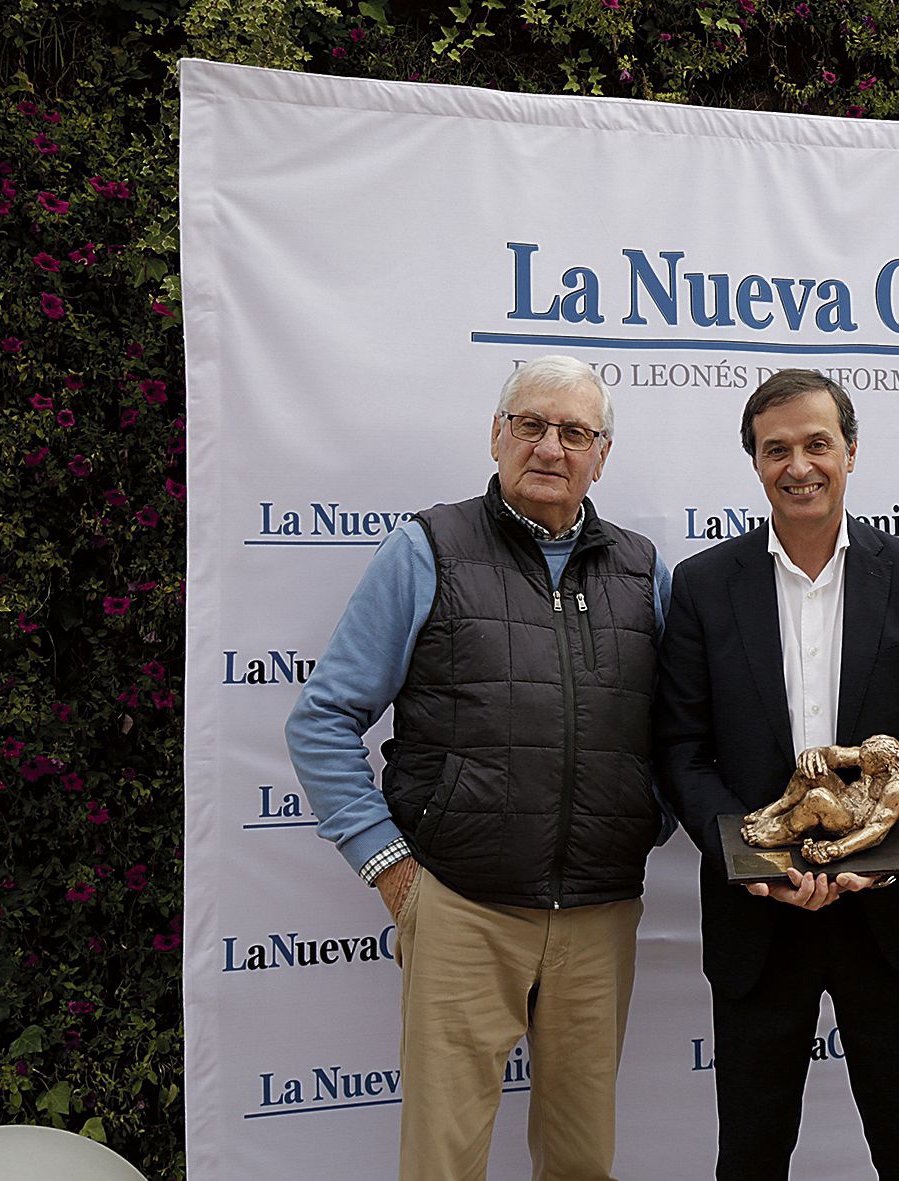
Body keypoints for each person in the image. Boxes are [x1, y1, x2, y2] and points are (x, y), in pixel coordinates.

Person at [285, 355, 670, 1181]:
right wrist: (391, 869)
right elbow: (322, 718)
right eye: (531, 424)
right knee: (444, 1163)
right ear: (496, 434)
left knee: (582, 1163)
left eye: (575, 432)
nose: (550, 447)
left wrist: (646, 811)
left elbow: (681, 730)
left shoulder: (643, 571)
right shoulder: (428, 549)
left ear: (602, 455)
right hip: (461, 906)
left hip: (599, 915)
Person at [655, 369, 899, 1181]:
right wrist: (756, 863)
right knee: (751, 1158)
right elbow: (682, 750)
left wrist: (881, 856)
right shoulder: (703, 586)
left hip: (893, 922)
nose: (799, 466)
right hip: (759, 922)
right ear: (755, 462)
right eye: (777, 449)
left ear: (851, 451)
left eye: (817, 444)